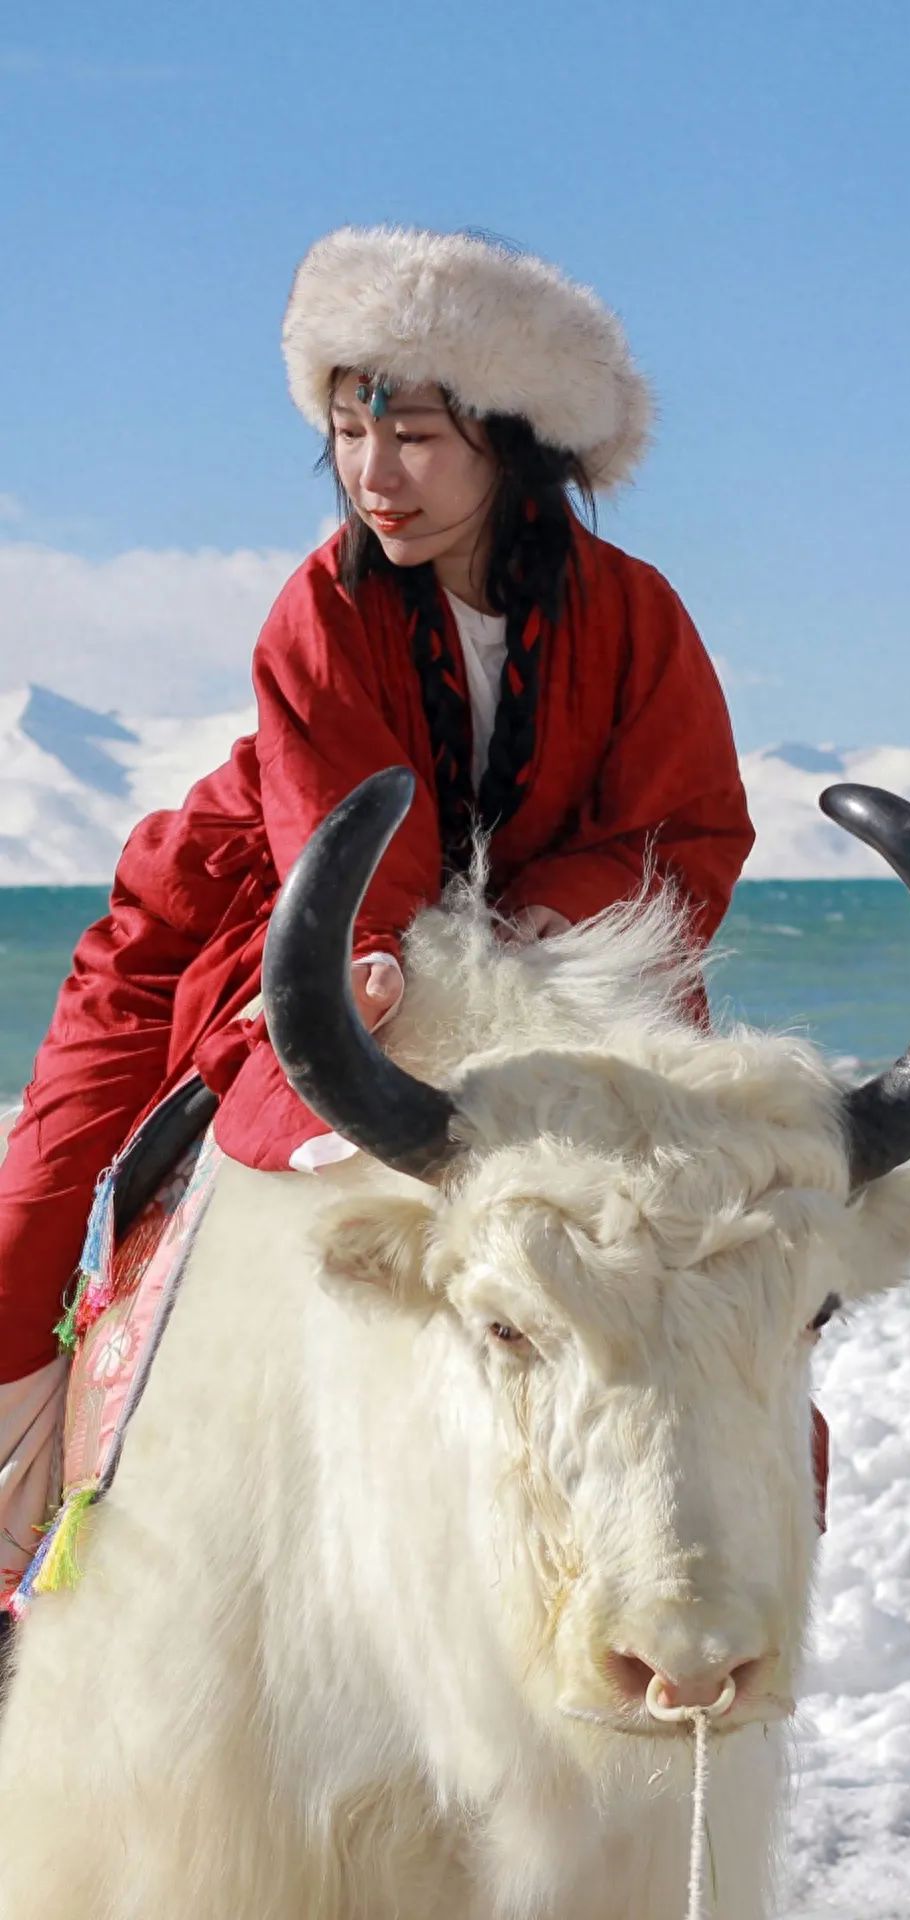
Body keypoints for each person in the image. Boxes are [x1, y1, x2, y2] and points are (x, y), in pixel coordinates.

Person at [0, 225, 754, 1606]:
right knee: (28, 1223)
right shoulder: (321, 606)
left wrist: (531, 951)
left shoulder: (637, 618)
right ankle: (20, 1564)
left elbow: (684, 837)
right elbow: (342, 840)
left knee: (711, 1247)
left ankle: (718, 1551)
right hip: (258, 915)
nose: (374, 473)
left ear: (510, 443)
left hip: (558, 964)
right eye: (352, 432)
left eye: (413, 434)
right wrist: (374, 962)